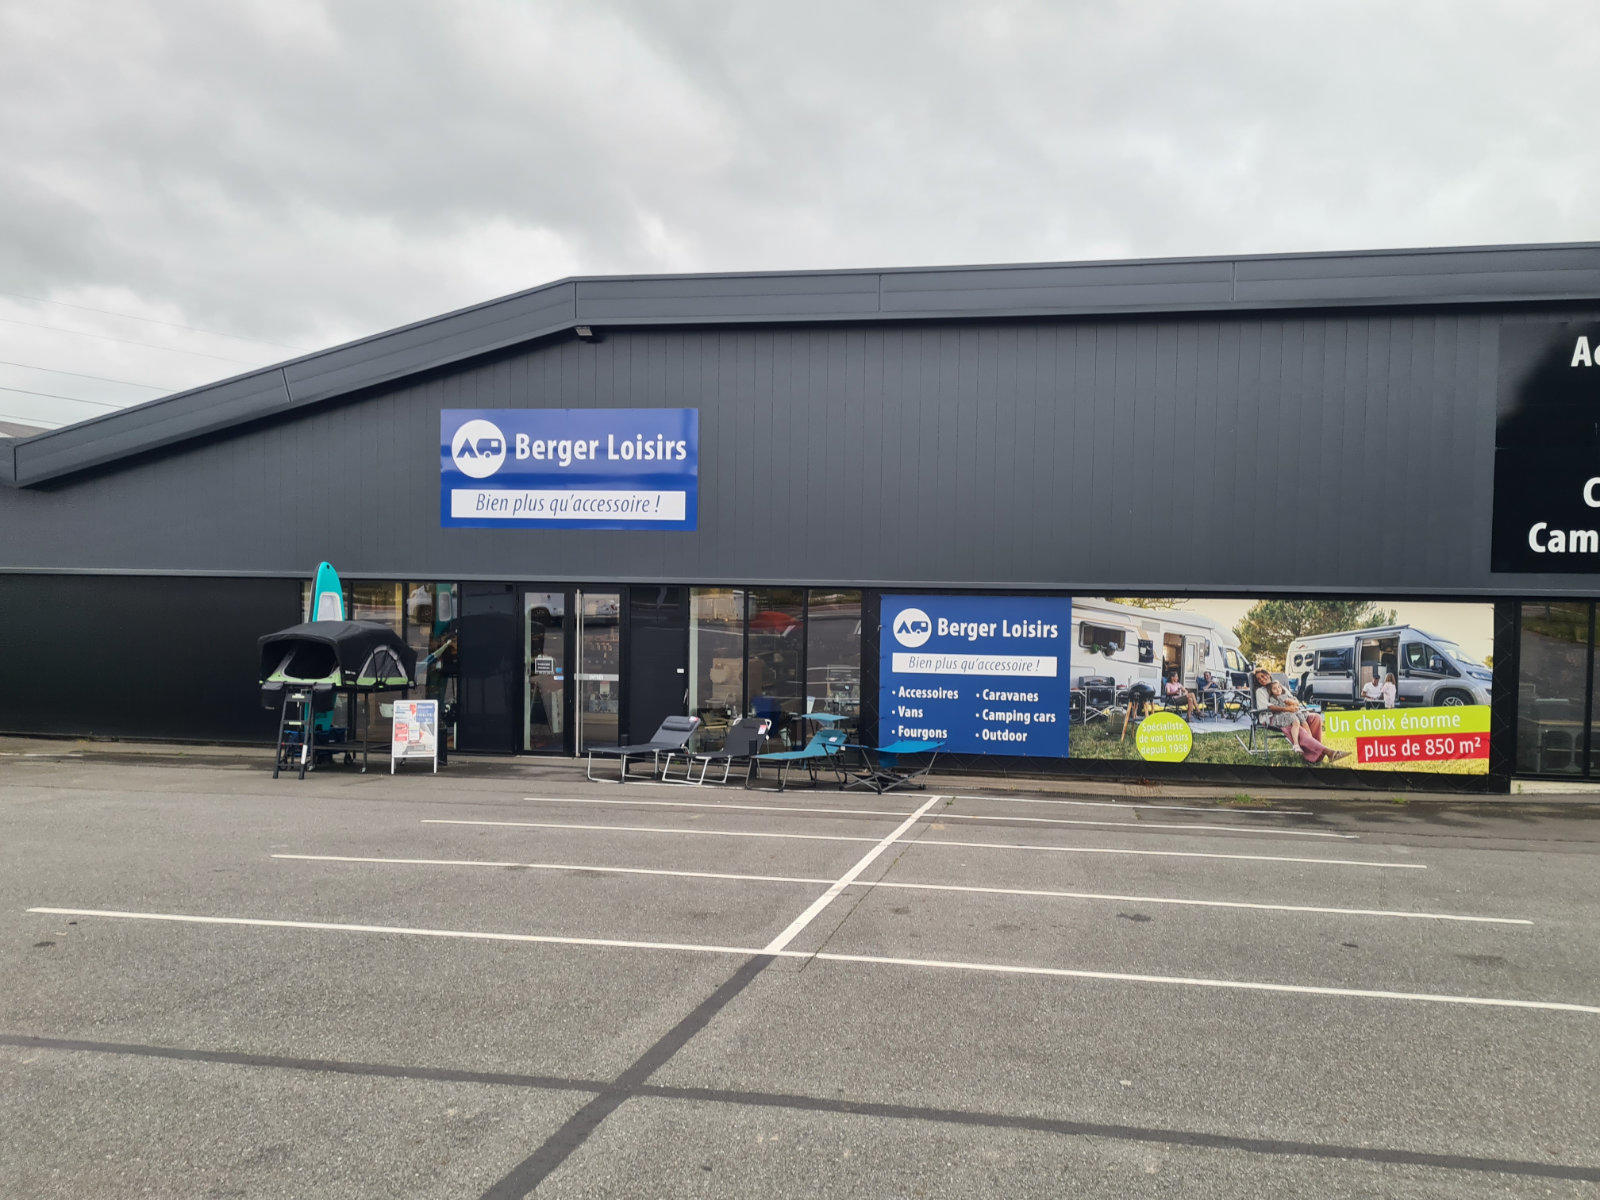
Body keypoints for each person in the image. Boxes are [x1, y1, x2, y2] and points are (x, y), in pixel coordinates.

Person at [1253, 666, 1347, 764]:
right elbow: (1268, 707)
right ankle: (1329, 752)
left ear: (1268, 675)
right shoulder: (1260, 691)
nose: (1262, 680)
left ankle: (1315, 755)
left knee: (1316, 718)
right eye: (1259, 679)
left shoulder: (1279, 685)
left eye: (1263, 676)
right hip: (1273, 717)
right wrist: (1286, 708)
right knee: (1299, 728)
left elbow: (1294, 700)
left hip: (1291, 712)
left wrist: (1294, 704)